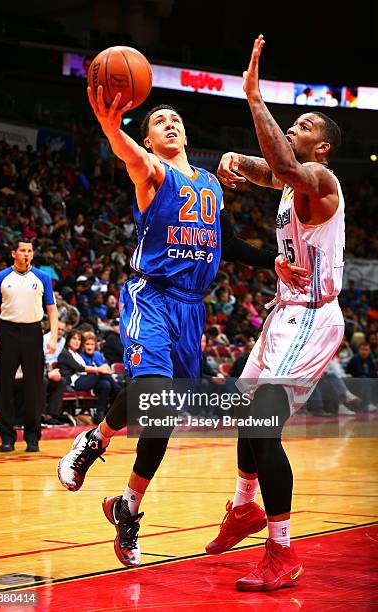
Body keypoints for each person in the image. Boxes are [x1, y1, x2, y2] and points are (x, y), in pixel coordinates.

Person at [58, 83, 309, 568]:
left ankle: (127, 507)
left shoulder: (211, 184)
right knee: (152, 389)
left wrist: (273, 260)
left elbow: (228, 244)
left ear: (186, 131)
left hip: (191, 308)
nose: (170, 123)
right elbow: (127, 154)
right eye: (158, 121)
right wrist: (113, 126)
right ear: (149, 140)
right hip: (151, 296)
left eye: (175, 119)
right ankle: (94, 441)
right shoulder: (151, 172)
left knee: (162, 418)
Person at [206, 35, 345, 592]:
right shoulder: (292, 183)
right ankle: (244, 507)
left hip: (312, 316)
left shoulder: (322, 181)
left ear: (324, 148)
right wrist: (232, 160)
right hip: (285, 311)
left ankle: (282, 551)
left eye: (307, 123)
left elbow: (283, 166)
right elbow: (267, 170)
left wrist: (253, 96)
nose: (297, 126)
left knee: (265, 424)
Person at [0, 239, 58, 452]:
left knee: (34, 386)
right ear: (13, 253)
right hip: (8, 332)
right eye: (22, 250)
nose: (26, 254)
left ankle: (32, 437)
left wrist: (53, 337)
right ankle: (7, 437)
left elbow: (52, 310)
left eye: (29, 251)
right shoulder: (0, 277)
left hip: (33, 332)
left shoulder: (43, 277)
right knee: (5, 385)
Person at [58, 330, 115, 424]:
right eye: (74, 339)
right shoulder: (65, 353)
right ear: (68, 340)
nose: (77, 341)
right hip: (73, 383)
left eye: (79, 339)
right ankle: (119, 391)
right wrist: (99, 369)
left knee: (105, 384)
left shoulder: (77, 354)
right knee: (100, 374)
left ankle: (100, 414)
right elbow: (79, 368)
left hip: (84, 380)